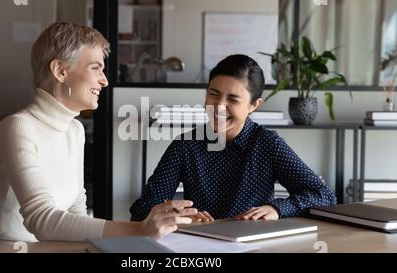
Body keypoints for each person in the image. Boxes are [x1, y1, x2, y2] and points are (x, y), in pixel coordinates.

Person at [0, 22, 197, 247]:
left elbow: (76, 211)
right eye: (95, 68)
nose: (104, 80)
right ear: (60, 71)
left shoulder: (75, 130)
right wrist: (139, 230)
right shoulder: (16, 127)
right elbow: (41, 220)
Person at [130, 54, 337, 222]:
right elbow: (142, 210)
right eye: (213, 94)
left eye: (233, 99)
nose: (219, 106)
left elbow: (324, 195)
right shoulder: (185, 146)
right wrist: (180, 216)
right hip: (202, 246)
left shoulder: (268, 144)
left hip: (253, 242)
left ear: (254, 105)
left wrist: (276, 208)